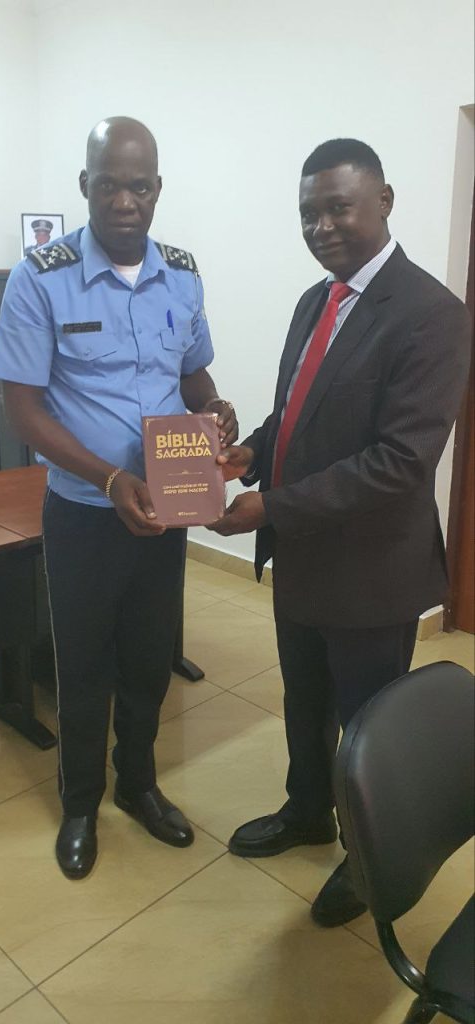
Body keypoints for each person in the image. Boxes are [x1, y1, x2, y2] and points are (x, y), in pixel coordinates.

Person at [209, 138, 471, 927]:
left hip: (371, 571)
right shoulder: (313, 301)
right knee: (304, 701)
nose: (320, 226)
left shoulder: (432, 314)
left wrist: (269, 508)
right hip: (302, 558)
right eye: (307, 213)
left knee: (368, 727)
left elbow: (399, 462)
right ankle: (305, 812)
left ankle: (367, 863)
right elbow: (298, 412)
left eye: (337, 207)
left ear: (383, 201)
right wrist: (251, 454)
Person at [0, 116, 238, 880]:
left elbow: (190, 373)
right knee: (83, 665)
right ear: (84, 186)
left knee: (148, 659)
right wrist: (107, 478)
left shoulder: (182, 274)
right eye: (108, 185)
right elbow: (22, 408)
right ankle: (80, 804)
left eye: (138, 186)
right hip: (84, 514)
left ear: (156, 189)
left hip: (165, 511)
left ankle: (138, 784)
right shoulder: (42, 276)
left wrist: (214, 407)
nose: (124, 201)